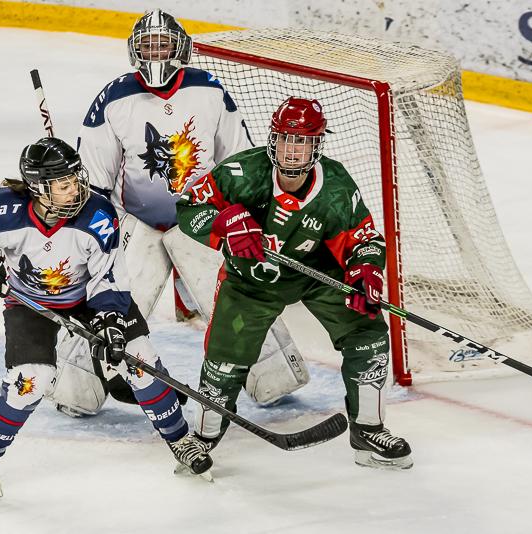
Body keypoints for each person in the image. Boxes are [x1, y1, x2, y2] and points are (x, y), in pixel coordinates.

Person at [56, 8, 309, 417]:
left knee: (235, 298)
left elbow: (239, 160)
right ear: (134, 51)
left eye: (163, 45)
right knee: (110, 305)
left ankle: (275, 378)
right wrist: (93, 234)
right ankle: (74, 389)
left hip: (202, 218)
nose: (155, 53)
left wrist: (248, 215)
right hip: (135, 221)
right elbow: (95, 178)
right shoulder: (114, 97)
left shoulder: (209, 89)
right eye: (147, 46)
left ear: (181, 48)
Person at [0, 137, 212, 504]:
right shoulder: (2, 211)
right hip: (30, 302)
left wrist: (110, 321)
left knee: (139, 359)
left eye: (75, 179)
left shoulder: (98, 214)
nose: (76, 189)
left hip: (90, 298)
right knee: (31, 380)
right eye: (64, 185)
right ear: (39, 188)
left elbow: (109, 276)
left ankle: (180, 440)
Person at [176, 97, 413, 470]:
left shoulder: (335, 186)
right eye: (286, 138)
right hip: (251, 280)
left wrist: (366, 269)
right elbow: (190, 207)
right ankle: (203, 438)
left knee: (368, 334)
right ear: (274, 138)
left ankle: (368, 429)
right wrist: (223, 223)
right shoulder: (241, 172)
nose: (291, 149)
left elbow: (364, 238)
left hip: (318, 275)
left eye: (301, 141)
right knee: (224, 360)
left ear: (316, 144)